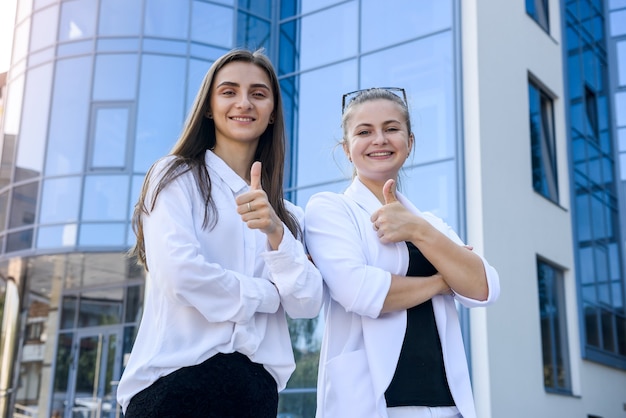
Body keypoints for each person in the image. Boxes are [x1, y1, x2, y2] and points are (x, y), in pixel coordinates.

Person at [116, 48, 324, 418]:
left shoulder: (289, 215)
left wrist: (276, 232)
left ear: (273, 110)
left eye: (258, 94)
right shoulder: (175, 177)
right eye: (229, 91)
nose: (244, 102)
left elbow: (306, 302)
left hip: (256, 397)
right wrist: (268, 295)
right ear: (209, 106)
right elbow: (181, 274)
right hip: (175, 389)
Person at [304, 87, 500, 418]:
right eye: (364, 132)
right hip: (372, 404)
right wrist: (443, 281)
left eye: (391, 128)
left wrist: (418, 230)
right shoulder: (330, 209)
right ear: (347, 150)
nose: (379, 139)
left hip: (447, 406)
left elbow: (484, 287)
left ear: (409, 143)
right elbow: (362, 292)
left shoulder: (430, 223)